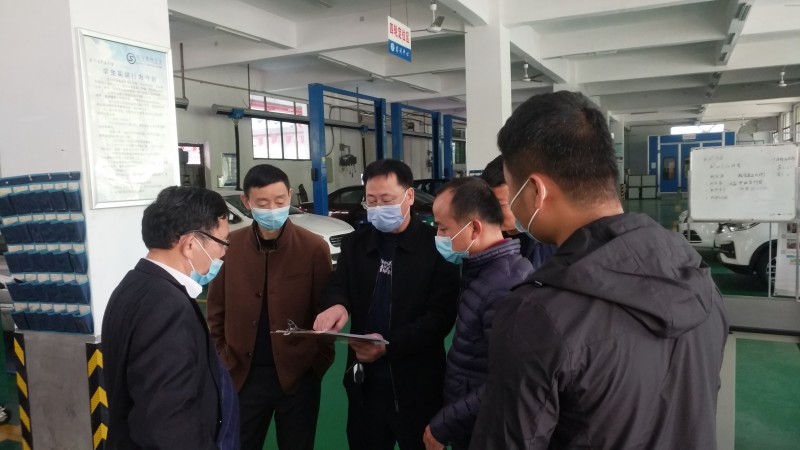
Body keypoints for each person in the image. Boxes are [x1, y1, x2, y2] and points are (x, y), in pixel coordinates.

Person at [470, 91, 729, 450]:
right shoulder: (695, 274)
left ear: (536, 191)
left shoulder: (538, 315)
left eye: (511, 190)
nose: (509, 208)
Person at [313, 159, 460, 450]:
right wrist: (337, 305)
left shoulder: (436, 246)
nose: (379, 207)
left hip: (417, 384)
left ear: (409, 196)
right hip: (364, 383)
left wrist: (389, 346)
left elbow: (441, 317)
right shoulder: (356, 244)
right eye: (372, 201)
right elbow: (339, 285)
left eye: (387, 200)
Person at [207, 164, 334, 450]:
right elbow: (215, 311)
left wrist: (316, 364)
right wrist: (224, 360)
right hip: (242, 374)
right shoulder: (228, 247)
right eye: (263, 203)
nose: (272, 209)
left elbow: (324, 309)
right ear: (246, 202)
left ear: (289, 195)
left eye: (279, 201)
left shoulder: (313, 248)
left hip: (299, 376)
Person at [103, 186, 239, 450]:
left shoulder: (133, 285)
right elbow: (168, 420)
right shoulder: (166, 307)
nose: (223, 253)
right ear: (190, 244)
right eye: (222, 243)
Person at [422, 177, 533, 450]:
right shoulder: (482, 271)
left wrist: (446, 424)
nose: (439, 236)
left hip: (486, 429)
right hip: (472, 423)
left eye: (443, 228)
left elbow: (508, 381)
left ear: (473, 228)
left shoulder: (504, 286)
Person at [480, 155, 556, 269]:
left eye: (500, 205)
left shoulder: (549, 244)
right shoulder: (485, 241)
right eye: (486, 204)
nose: (490, 213)